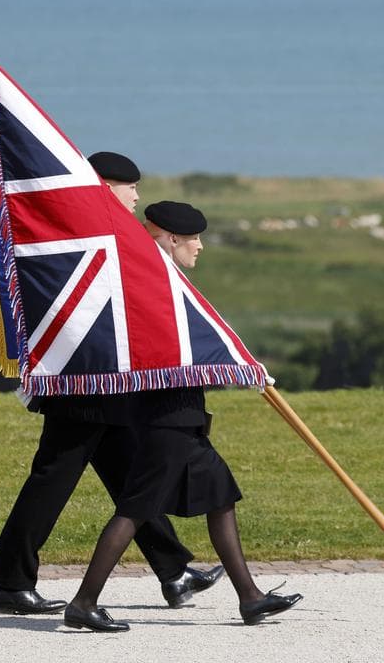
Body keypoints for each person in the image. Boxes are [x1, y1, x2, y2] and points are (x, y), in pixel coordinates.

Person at [0, 153, 222, 616]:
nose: (136, 196)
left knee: (130, 476)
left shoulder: (107, 230)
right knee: (52, 478)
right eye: (128, 187)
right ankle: (12, 583)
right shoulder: (94, 232)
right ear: (104, 186)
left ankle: (173, 571)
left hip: (102, 386)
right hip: (83, 383)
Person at [63, 201, 302, 633]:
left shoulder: (165, 279)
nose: (201, 247)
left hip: (183, 415)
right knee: (136, 508)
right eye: (194, 239)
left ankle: (250, 597)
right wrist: (240, 364)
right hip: (165, 415)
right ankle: (83, 602)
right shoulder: (153, 280)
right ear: (172, 238)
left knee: (220, 494)